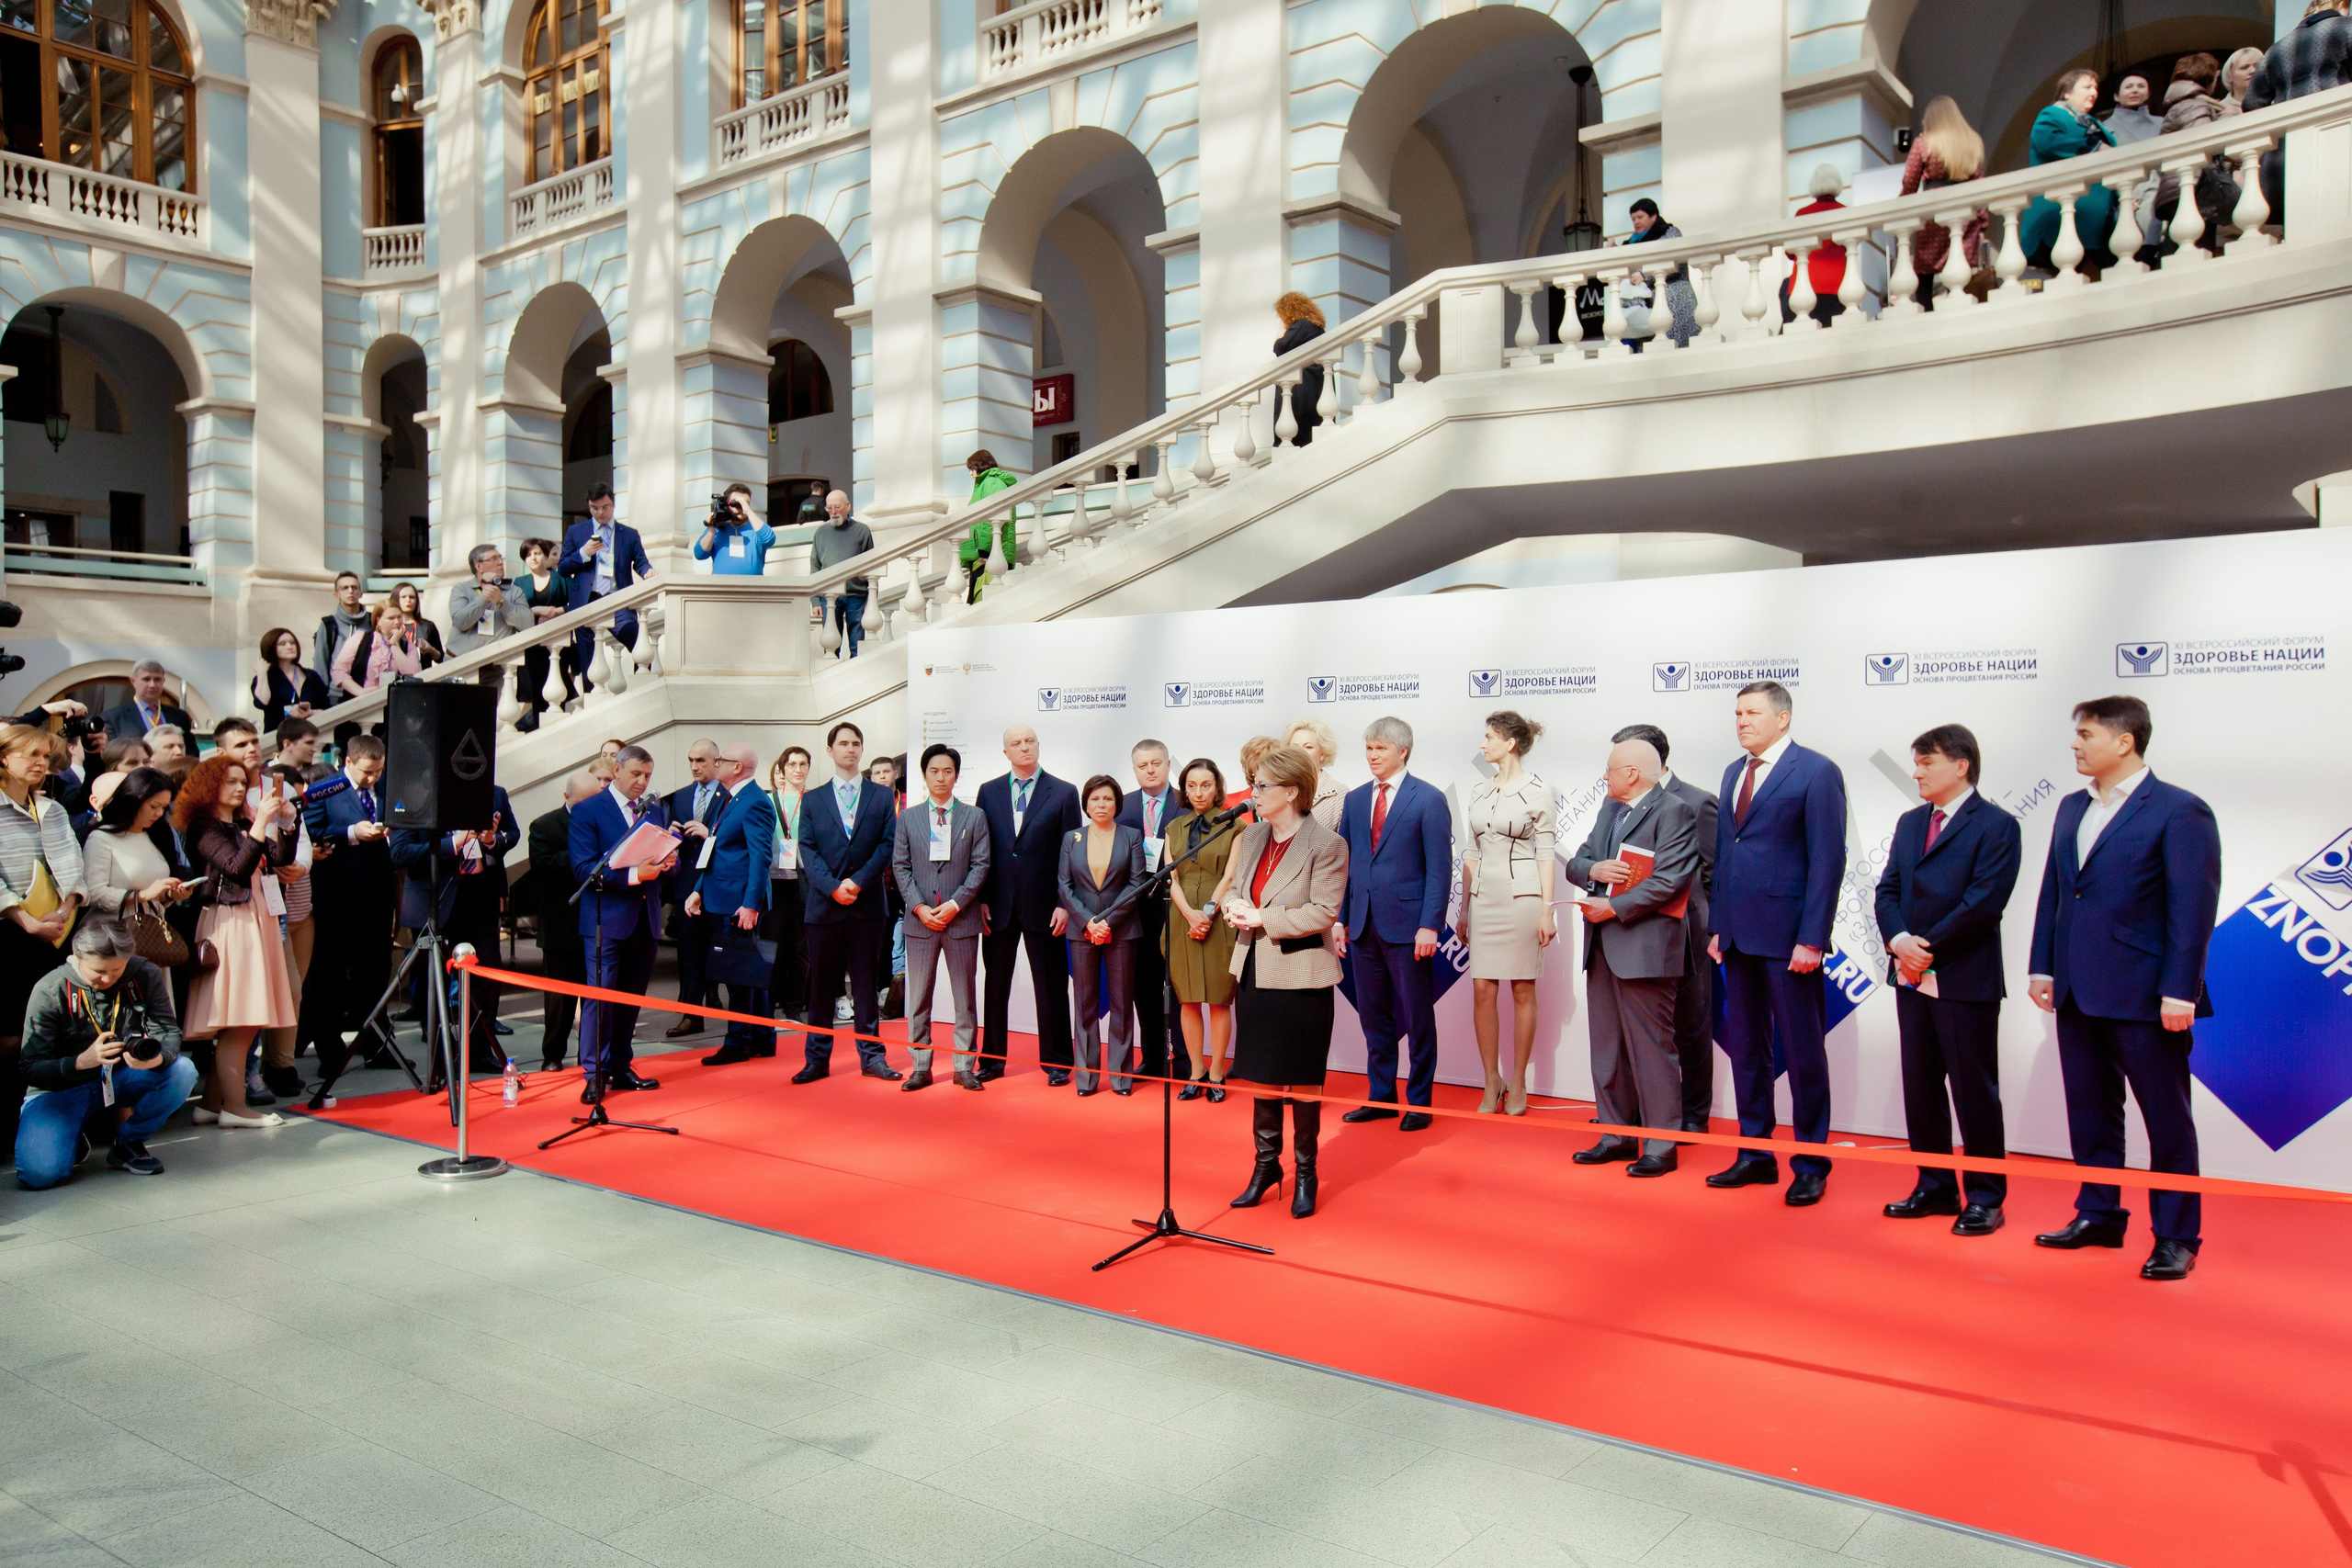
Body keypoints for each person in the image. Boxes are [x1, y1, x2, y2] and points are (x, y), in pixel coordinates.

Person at [2028, 696, 2221, 1282]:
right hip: (2077, 992)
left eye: (2085, 734)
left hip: (2146, 995)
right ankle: (2099, 1214)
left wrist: (2180, 990)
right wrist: (2042, 966)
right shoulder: (2069, 808)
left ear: (2125, 741)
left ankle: (2177, 1236)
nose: (2075, 745)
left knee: (2166, 1120)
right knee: (2090, 1112)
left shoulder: (2180, 811)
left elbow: (2193, 911)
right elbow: (2056, 893)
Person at [1873, 724, 2022, 1235]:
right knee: (1921, 1086)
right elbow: (1888, 889)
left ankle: (1986, 1196)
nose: (1916, 772)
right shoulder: (1911, 822)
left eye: (1926, 762)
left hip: (1963, 977)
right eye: (1914, 763)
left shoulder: (1997, 825)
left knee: (1974, 1091)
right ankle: (1934, 1185)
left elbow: (1983, 905)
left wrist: (1923, 949)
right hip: (1911, 976)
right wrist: (1898, 942)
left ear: (1961, 766)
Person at [1708, 681, 1848, 1205]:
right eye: (1738, 713)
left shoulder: (1816, 771)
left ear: (1783, 718)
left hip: (1791, 939)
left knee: (1804, 1051)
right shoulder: (1732, 771)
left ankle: (1811, 1161)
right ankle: (1754, 1152)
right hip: (1739, 936)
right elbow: (1727, 852)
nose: (1742, 721)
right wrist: (1719, 924)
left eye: (1753, 713)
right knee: (1747, 1049)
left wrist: (1813, 937)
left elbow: (1827, 860)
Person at [1219, 744, 1347, 1220]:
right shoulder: (1251, 837)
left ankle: (1306, 1173)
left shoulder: (1327, 844)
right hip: (1254, 968)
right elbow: (1235, 887)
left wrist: (1261, 916)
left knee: (1303, 1077)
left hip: (1302, 975)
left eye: (1262, 786)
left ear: (1292, 791)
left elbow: (1322, 912)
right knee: (1263, 1074)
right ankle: (1265, 1166)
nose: (1253, 793)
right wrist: (1235, 906)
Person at [1567, 737, 1700, 1175]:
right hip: (1602, 945)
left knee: (1652, 1048)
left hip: (1644, 947)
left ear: (1632, 774)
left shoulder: (1674, 810)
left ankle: (1662, 1143)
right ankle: (1615, 1133)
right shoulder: (1609, 809)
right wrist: (1593, 870)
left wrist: (1614, 907)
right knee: (1607, 1047)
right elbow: (1578, 861)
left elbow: (1671, 880)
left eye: (1609, 769)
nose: (1604, 777)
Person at [14, 919, 197, 1187]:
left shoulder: (144, 974)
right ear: (75, 958)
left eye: (117, 970)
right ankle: (69, 1134)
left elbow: (168, 1031)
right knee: (39, 1176)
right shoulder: (50, 989)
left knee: (182, 1070)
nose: (108, 978)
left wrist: (156, 1059)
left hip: (120, 1078)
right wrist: (79, 1062)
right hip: (59, 1091)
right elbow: (30, 1067)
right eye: (98, 971)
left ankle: (128, 1144)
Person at [1336, 716, 1449, 1129]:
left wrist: (1431, 925)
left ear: (1403, 750)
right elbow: (1345, 864)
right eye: (1368, 748)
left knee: (1418, 1018)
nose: (1371, 756)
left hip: (1409, 927)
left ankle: (1420, 1101)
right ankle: (1380, 1097)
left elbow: (1440, 869)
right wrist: (1340, 919)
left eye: (1380, 749)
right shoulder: (1355, 799)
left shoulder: (1429, 799)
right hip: (1362, 926)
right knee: (1374, 1016)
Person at [175, 753, 297, 1127]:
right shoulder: (203, 827)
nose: (240, 787)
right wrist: (261, 823)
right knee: (241, 1018)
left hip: (253, 917)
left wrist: (287, 825)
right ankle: (235, 1108)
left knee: (242, 1020)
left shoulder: (244, 822)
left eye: (242, 781)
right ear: (209, 786)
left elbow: (278, 858)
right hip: (231, 921)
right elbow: (237, 869)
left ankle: (212, 1105)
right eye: (230, 781)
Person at [1612, 723, 1718, 1133]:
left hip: (1687, 934)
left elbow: (1712, 874)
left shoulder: (1698, 802)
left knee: (1690, 1026)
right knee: (1639, 1032)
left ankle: (1693, 1117)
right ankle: (1645, 1112)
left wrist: (1708, 930)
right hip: (1634, 931)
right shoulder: (1619, 804)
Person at [1460, 711, 1557, 1116]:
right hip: (1484, 899)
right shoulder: (1479, 792)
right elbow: (1470, 851)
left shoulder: (1539, 792)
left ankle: (1518, 1082)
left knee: (1522, 987)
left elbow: (1547, 855)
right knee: (1482, 987)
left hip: (1523, 900)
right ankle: (1490, 1079)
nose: (1482, 745)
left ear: (1510, 743)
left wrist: (1547, 911)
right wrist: (1464, 908)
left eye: (1489, 737)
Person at [793, 721, 900, 1082]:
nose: (850, 749)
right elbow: (806, 848)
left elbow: (887, 845)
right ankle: (816, 1060)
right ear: (830, 750)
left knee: (867, 986)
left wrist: (857, 881)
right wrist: (832, 887)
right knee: (822, 987)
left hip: (867, 905)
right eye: (843, 743)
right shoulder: (813, 798)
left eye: (856, 743)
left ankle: (872, 1056)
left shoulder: (882, 796)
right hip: (825, 906)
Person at [570, 745, 677, 1100]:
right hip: (606, 919)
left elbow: (662, 862)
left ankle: (620, 1064)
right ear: (616, 770)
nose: (642, 782)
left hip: (644, 918)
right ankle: (594, 1073)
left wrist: (667, 864)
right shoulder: (588, 810)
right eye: (635, 774)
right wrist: (634, 874)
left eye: (647, 775)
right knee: (600, 998)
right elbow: (584, 869)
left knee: (631, 998)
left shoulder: (654, 811)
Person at [976, 725, 1081, 1084]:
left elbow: (1072, 855)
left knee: (1051, 986)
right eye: (1016, 744)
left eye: (1029, 741)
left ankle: (1057, 1062)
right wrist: (981, 901)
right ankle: (990, 1061)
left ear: (1039, 744)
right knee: (995, 986)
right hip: (998, 907)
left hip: (1046, 906)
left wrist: (1064, 903)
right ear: (1005, 752)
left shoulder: (1065, 793)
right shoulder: (988, 792)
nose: (1024, 748)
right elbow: (982, 851)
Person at [390, 783, 517, 1077]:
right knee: (435, 979)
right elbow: (400, 852)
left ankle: (479, 1050)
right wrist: (454, 843)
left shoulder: (495, 792)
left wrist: (490, 840)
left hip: (480, 898)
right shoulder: (414, 793)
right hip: (436, 900)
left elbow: (511, 834)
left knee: (485, 974)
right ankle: (441, 1055)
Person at [891, 744, 991, 1090]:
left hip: (960, 922)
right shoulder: (908, 817)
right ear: (924, 775)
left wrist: (954, 905)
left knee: (965, 997)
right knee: (918, 997)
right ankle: (921, 1065)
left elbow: (981, 866)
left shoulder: (973, 817)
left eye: (947, 771)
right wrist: (919, 907)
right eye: (934, 771)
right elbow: (900, 866)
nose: (941, 777)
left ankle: (965, 1066)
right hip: (920, 923)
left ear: (956, 775)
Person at [296, 736, 395, 1079]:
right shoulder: (324, 790)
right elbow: (311, 830)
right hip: (337, 895)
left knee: (376, 971)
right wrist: (352, 832)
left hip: (379, 894)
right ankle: (330, 1050)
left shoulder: (389, 786)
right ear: (348, 763)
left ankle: (378, 1045)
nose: (373, 779)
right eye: (367, 772)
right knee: (330, 975)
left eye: (378, 771)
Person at [2, 724, 85, 1076]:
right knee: (9, 1030)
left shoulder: (51, 808)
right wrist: (27, 921)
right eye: (31, 754)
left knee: (48, 1026)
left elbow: (73, 865)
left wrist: (64, 912)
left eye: (44, 755)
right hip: (9, 931)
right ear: (4, 759)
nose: (41, 762)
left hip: (54, 930)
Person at [689, 743, 779, 1066]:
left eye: (721, 760)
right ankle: (760, 1037)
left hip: (739, 903)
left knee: (739, 974)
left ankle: (739, 1040)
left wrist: (751, 905)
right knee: (746, 971)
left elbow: (760, 857)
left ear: (737, 767)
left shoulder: (754, 802)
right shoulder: (731, 798)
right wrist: (699, 888)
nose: (715, 763)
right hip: (722, 896)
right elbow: (716, 847)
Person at [1058, 775, 1147, 1097]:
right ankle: (1087, 1079)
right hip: (1082, 932)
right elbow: (1065, 886)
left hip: (1122, 930)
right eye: (1095, 799)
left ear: (1117, 804)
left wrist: (1107, 921)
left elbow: (1137, 883)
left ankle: (1122, 1078)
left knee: (1123, 1004)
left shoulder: (1131, 836)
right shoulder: (1072, 838)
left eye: (1107, 799)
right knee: (1084, 1005)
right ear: (1086, 804)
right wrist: (1088, 922)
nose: (1101, 805)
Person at [1164, 758, 1238, 1100]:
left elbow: (1231, 876)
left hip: (1219, 918)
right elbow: (1171, 878)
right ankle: (1196, 1070)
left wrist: (1206, 914)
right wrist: (1190, 916)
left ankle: (1219, 1072)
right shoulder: (1173, 828)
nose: (1198, 792)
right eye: (1191, 786)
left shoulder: (1236, 826)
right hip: (1181, 919)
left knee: (1219, 1000)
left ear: (1217, 786)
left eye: (1205, 785)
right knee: (1188, 1000)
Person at [1116, 739, 1183, 1084]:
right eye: (1143, 765)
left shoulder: (1185, 802)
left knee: (1180, 987)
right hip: (1134, 911)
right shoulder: (1122, 805)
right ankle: (1153, 1059)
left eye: (1156, 763)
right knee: (1142, 987)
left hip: (1176, 908)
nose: (1150, 770)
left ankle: (1185, 1061)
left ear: (1168, 764)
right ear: (1134, 769)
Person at [529, 774, 599, 1071]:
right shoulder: (544, 825)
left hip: (595, 919)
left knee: (594, 992)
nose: (590, 807)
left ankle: (592, 1055)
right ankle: (553, 1055)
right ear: (567, 797)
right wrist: (582, 858)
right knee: (558, 998)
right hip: (560, 922)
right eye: (584, 801)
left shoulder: (601, 821)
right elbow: (541, 867)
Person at [2021, 70, 2119, 276]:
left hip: (2096, 218)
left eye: (2095, 88)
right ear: (2066, 93)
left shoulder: (2094, 124)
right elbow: (2048, 140)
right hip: (2064, 211)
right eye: (2087, 87)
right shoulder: (2052, 114)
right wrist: (2094, 147)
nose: (2094, 92)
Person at [559, 482, 654, 688]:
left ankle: (644, 687)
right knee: (588, 657)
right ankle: (593, 699)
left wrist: (648, 572)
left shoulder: (628, 534)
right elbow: (563, 567)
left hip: (617, 598)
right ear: (589, 506)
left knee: (637, 639)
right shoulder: (576, 532)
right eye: (594, 508)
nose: (600, 513)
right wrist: (583, 553)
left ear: (613, 504)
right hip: (586, 600)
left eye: (605, 507)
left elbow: (640, 562)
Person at [662, 740, 727, 1039]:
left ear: (717, 762)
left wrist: (708, 835)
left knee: (723, 951)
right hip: (685, 883)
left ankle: (735, 1015)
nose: (694, 766)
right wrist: (671, 835)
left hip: (717, 884)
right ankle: (691, 1014)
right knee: (688, 954)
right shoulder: (682, 795)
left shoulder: (728, 795)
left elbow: (733, 837)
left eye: (701, 760)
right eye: (690, 760)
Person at [1901, 96, 1990, 308]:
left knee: (1924, 276)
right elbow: (1980, 186)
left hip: (1934, 215)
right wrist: (1982, 221)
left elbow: (1909, 183)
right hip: (1964, 213)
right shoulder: (1972, 142)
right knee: (1959, 272)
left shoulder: (1924, 143)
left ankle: (1928, 315)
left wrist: (1902, 210)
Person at [766, 747, 811, 1031]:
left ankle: (793, 1007)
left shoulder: (814, 802)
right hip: (772, 882)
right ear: (781, 769)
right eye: (792, 764)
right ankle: (766, 1006)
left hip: (804, 883)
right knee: (771, 947)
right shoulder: (768, 801)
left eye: (803, 764)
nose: (797, 769)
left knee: (800, 948)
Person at [515, 537, 575, 728]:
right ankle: (538, 727)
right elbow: (515, 611)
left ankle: (560, 725)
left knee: (559, 683)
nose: (533, 558)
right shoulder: (520, 582)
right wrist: (538, 610)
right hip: (532, 644)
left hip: (558, 640)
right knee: (536, 688)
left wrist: (557, 612)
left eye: (537, 553)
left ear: (545, 555)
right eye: (528, 555)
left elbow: (574, 603)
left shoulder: (561, 578)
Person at [1622, 197, 1698, 347]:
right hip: (1648, 305)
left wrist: (1645, 276)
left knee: (1676, 345)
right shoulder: (1633, 241)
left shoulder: (1669, 233)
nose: (1636, 222)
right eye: (1633, 219)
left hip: (1674, 298)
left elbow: (1673, 259)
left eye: (1640, 217)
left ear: (1653, 216)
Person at [809, 491, 876, 659]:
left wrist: (871, 599)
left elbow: (873, 568)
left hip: (857, 596)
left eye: (837, 507)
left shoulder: (862, 531)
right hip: (830, 597)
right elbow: (815, 567)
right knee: (830, 648)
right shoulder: (821, 533)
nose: (833, 512)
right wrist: (815, 600)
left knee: (857, 646)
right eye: (829, 508)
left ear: (847, 506)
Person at [1781, 164, 1850, 326]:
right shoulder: (1845, 212)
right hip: (1837, 286)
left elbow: (1790, 253)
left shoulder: (1802, 214)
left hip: (1804, 285)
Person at [447, 543, 535, 663]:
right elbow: (460, 622)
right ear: (478, 566)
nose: (500, 562)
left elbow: (528, 624)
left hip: (496, 666)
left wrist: (502, 602)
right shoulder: (462, 589)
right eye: (494, 559)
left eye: (500, 558)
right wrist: (484, 598)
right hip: (459, 662)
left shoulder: (514, 592)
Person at [331, 599, 425, 699]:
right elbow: (339, 671)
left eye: (399, 617)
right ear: (378, 620)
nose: (397, 622)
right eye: (391, 618)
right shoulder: (360, 639)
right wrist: (359, 692)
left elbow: (413, 674)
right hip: (361, 702)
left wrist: (394, 645)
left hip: (395, 702)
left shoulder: (408, 646)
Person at [959, 451, 1022, 603]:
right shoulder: (986, 483)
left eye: (971, 468)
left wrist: (985, 550)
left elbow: (990, 520)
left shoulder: (992, 483)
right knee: (975, 599)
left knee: (981, 601)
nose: (970, 474)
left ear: (979, 466)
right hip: (983, 554)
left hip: (987, 555)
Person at [1272, 293, 1327, 446]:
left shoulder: (1302, 325)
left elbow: (1280, 348)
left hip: (1302, 394)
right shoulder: (1315, 327)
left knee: (1296, 437)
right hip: (1313, 392)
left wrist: (1281, 329)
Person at [250, 628, 330, 732]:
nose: (289, 647)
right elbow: (262, 703)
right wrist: (262, 674)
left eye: (292, 643)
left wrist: (309, 712)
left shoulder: (311, 676)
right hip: (279, 736)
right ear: (271, 648)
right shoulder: (267, 678)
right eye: (282, 644)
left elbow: (326, 708)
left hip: (309, 733)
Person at [311, 572, 373, 705]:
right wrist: (322, 698)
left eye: (354, 587)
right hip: (337, 696)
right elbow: (320, 663)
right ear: (336, 594)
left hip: (369, 692)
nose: (350, 591)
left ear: (361, 593)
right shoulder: (329, 625)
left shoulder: (373, 621)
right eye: (344, 588)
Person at [694, 483, 776, 577]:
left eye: (745, 503)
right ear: (727, 505)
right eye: (736, 503)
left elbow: (769, 539)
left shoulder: (755, 528)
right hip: (723, 587)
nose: (740, 507)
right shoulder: (718, 528)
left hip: (752, 587)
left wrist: (748, 511)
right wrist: (711, 530)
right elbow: (699, 554)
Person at [102, 660, 195, 744]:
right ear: (133, 681)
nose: (152, 685)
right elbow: (111, 756)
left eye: (157, 679)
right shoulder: (114, 718)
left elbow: (191, 753)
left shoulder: (179, 716)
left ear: (163, 681)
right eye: (146, 679)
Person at [1283, 718, 1345, 829]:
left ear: (1323, 754)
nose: (1300, 753)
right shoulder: (1275, 788)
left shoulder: (1339, 795)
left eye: (1308, 747)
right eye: (1294, 747)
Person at [390, 581, 446, 669]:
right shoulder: (390, 626)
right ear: (396, 599)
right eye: (404, 597)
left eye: (412, 597)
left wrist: (431, 650)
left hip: (424, 676)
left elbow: (441, 658)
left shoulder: (428, 626)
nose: (408, 600)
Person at [2102, 72, 2161, 143]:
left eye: (2141, 86)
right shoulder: (2105, 129)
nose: (2135, 90)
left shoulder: (2161, 123)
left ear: (2148, 94)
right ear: (2116, 96)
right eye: (2128, 87)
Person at [2222, 43, 2265, 112]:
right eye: (2244, 67)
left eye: (2257, 66)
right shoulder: (2220, 109)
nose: (2253, 71)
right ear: (2229, 76)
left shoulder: (2276, 103)